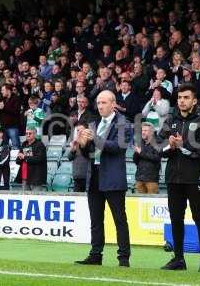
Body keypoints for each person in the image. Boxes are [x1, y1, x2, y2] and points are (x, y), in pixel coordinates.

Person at [158, 83, 200, 273]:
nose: (182, 101)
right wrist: (169, 146)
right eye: (180, 97)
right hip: (173, 178)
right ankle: (179, 259)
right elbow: (158, 146)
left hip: (195, 176)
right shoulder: (171, 119)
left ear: (194, 100)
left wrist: (182, 146)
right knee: (176, 218)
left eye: (186, 97)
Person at [75, 90, 131, 267]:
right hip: (95, 175)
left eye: (104, 103)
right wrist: (82, 146)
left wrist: (96, 138)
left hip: (113, 176)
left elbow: (118, 147)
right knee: (96, 219)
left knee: (119, 219)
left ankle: (123, 258)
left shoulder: (124, 123)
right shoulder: (93, 123)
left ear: (113, 104)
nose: (100, 106)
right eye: (98, 103)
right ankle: (95, 254)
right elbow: (89, 152)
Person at [16, 126, 47, 191]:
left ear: (35, 134)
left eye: (30, 133)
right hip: (24, 177)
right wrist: (20, 157)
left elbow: (39, 159)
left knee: (36, 198)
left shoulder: (40, 145)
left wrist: (24, 157)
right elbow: (18, 161)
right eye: (26, 133)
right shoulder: (24, 144)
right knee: (25, 199)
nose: (28, 135)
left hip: (35, 178)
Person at [133, 122, 161, 194]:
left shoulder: (157, 142)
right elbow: (135, 161)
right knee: (139, 203)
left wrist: (141, 153)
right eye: (142, 130)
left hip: (151, 180)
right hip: (139, 178)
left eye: (145, 131)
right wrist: (136, 153)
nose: (143, 132)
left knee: (152, 202)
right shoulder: (140, 142)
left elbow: (156, 158)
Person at [0, 84, 21, 149]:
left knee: (16, 146)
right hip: (3, 127)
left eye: (3, 90)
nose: (1, 92)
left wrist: (4, 107)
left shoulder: (16, 98)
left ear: (8, 90)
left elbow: (16, 111)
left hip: (13, 126)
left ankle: (18, 159)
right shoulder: (2, 99)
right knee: (4, 147)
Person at [68, 122, 89, 192]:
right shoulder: (75, 143)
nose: (78, 132)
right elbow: (69, 158)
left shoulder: (89, 142)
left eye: (81, 130)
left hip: (87, 176)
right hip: (77, 176)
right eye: (77, 130)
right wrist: (73, 150)